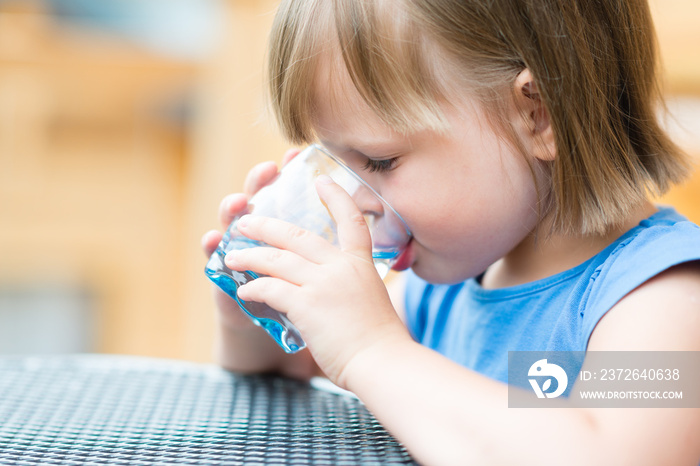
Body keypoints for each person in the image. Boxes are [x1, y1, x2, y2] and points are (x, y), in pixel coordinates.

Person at [201, 0, 700, 464]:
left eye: (380, 160)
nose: (350, 197)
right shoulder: (444, 282)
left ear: (538, 114)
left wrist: (373, 350)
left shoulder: (664, 298)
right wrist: (260, 319)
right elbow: (304, 370)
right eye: (332, 158)